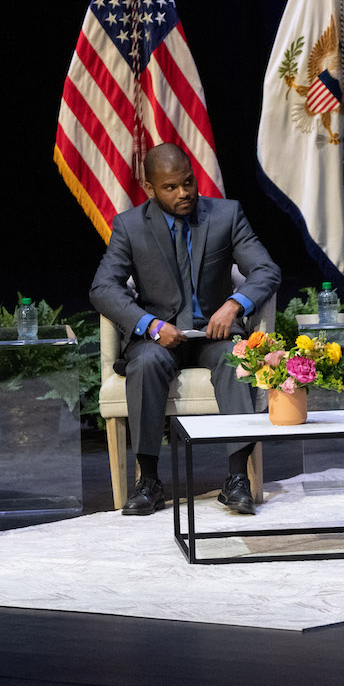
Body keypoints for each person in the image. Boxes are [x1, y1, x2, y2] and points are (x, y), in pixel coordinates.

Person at [90, 143, 281, 516]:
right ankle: (148, 480)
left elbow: (266, 270)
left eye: (188, 182)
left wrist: (234, 304)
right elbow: (103, 288)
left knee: (235, 360)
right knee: (144, 365)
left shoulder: (227, 214)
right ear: (150, 188)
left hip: (213, 333)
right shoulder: (129, 226)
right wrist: (150, 324)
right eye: (171, 187)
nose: (184, 193)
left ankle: (237, 477)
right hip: (160, 337)